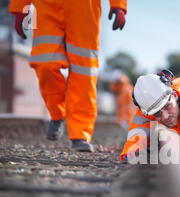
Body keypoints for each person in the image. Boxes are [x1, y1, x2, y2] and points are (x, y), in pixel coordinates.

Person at [9, 0, 128, 152]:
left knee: (84, 73)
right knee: (45, 64)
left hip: (84, 8)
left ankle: (80, 134)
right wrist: (20, 7)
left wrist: (119, 5)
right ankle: (57, 115)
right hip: (46, 6)